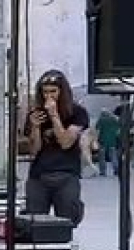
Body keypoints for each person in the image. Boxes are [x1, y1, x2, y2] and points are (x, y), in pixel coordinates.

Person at [25, 70, 88, 226]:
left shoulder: (77, 112)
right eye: (45, 92)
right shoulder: (36, 114)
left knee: (67, 220)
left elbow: (66, 142)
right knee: (35, 222)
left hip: (66, 174)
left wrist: (54, 116)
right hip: (39, 175)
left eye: (53, 91)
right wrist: (35, 128)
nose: (49, 96)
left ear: (62, 92)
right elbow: (34, 151)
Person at [96, 108, 121, 177]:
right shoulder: (114, 120)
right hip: (112, 141)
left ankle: (103, 171)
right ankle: (116, 170)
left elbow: (97, 131)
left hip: (102, 141)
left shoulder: (101, 120)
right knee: (113, 156)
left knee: (102, 157)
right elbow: (118, 131)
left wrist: (95, 140)